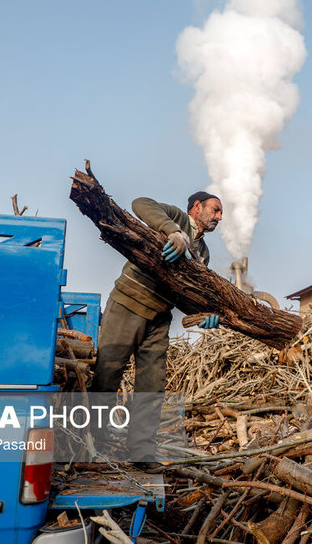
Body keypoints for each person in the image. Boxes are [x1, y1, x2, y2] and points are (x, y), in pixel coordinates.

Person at [91, 191, 223, 472]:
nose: (219, 217)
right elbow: (140, 204)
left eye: (221, 213)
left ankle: (141, 453)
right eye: (215, 210)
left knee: (151, 389)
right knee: (106, 377)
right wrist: (173, 232)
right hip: (128, 303)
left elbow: (189, 295)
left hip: (159, 318)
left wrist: (204, 315)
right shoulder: (175, 217)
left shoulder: (204, 254)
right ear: (197, 207)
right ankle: (92, 447)